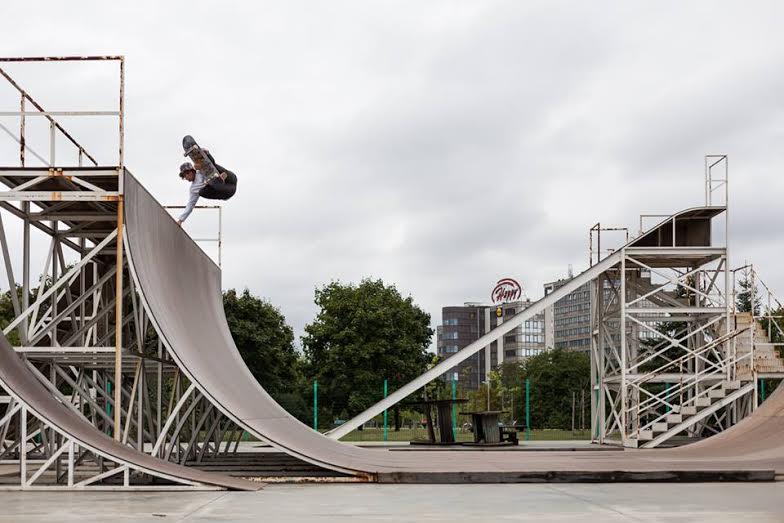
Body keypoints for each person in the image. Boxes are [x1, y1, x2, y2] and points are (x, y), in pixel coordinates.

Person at [176, 150, 237, 225]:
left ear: (191, 171)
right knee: (202, 192)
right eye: (184, 177)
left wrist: (207, 154)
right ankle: (216, 181)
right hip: (227, 192)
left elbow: (211, 164)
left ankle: (217, 180)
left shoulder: (200, 169)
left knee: (212, 167)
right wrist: (180, 220)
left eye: (186, 175)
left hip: (230, 179)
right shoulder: (193, 189)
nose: (186, 178)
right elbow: (190, 205)